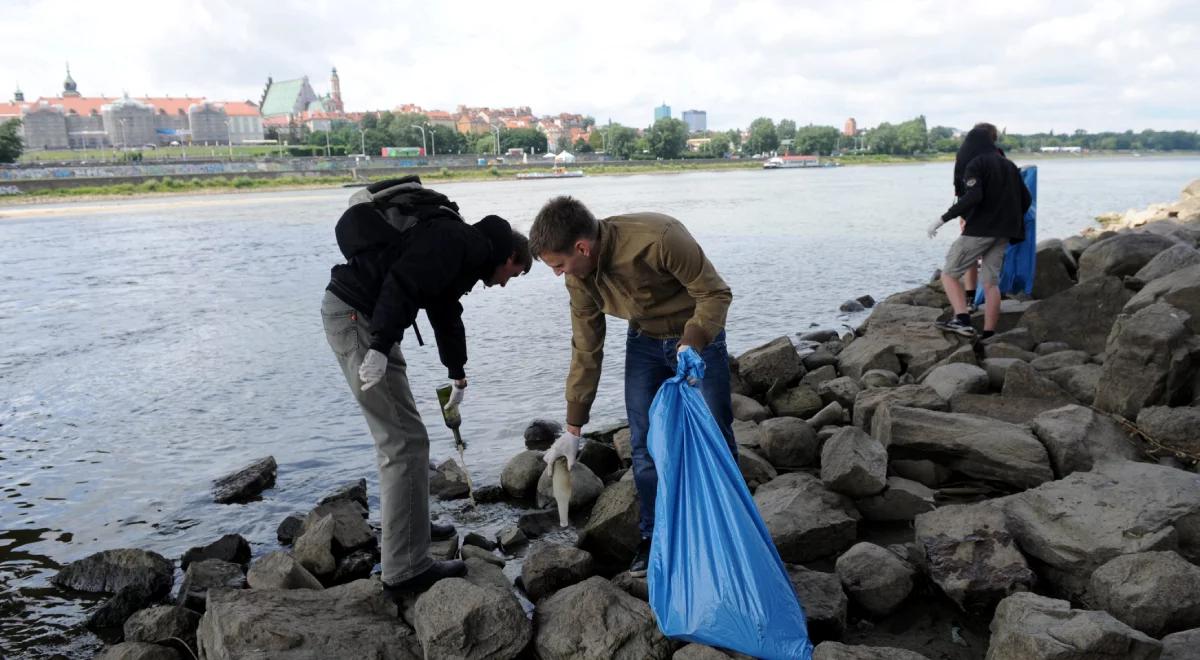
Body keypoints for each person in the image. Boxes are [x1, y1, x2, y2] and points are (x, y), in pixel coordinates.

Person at [322, 180, 531, 595]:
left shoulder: (464, 247)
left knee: (407, 438)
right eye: (514, 274)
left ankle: (412, 526)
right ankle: (405, 568)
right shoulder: (457, 241)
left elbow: (443, 308)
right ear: (509, 256)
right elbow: (403, 281)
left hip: (371, 321)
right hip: (361, 323)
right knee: (403, 444)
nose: (506, 283)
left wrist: (458, 371)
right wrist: (379, 347)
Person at [529, 196, 734, 577]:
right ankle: (654, 538)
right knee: (644, 448)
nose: (558, 274)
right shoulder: (578, 278)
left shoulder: (660, 237)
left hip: (699, 338)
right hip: (644, 345)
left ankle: (724, 533)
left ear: (582, 247)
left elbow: (715, 293)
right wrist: (573, 428)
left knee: (715, 438)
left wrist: (693, 341)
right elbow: (586, 347)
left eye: (558, 265)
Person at [927, 123, 1031, 338]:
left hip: (980, 230)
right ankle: (989, 333)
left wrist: (942, 219)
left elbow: (973, 197)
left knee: (949, 274)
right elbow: (1026, 200)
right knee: (991, 283)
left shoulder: (975, 164)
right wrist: (1008, 218)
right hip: (1004, 232)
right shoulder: (1009, 165)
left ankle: (962, 320)